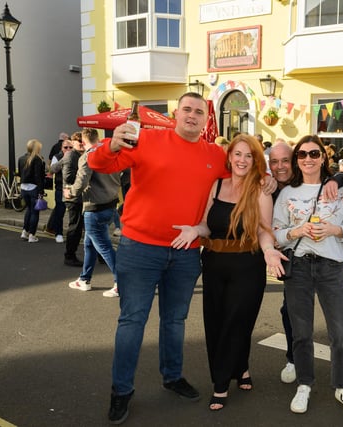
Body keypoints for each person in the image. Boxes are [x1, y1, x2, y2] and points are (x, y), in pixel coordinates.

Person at [88, 93, 273, 424]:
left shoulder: (216, 155)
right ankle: (121, 391)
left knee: (175, 321)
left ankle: (172, 376)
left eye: (198, 112)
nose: (192, 115)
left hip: (186, 252)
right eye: (186, 109)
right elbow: (99, 164)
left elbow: (242, 172)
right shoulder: (145, 139)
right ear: (176, 113)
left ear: (205, 120)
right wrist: (112, 144)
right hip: (140, 247)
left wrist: (266, 178)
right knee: (132, 321)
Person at [175, 134, 283, 411]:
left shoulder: (260, 189)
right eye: (238, 154)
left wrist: (269, 250)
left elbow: (263, 230)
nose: (242, 160)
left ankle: (221, 383)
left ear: (256, 160)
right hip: (213, 264)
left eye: (249, 156)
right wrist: (194, 231)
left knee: (237, 322)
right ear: (230, 156)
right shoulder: (217, 185)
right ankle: (241, 368)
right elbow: (207, 225)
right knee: (216, 322)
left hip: (248, 265)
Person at [268, 142, 343, 390]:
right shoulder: (275, 188)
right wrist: (297, 231)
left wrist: (334, 229)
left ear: (323, 158)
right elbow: (277, 232)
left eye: (314, 153)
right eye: (302, 154)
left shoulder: (337, 187)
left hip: (332, 265)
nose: (307, 158)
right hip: (299, 265)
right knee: (296, 323)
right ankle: (298, 369)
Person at [64, 128, 122, 298]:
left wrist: (71, 192)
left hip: (94, 208)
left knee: (104, 248)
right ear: (98, 138)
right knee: (89, 244)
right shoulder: (109, 154)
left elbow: (81, 181)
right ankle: (84, 280)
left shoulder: (87, 156)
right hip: (110, 205)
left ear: (83, 141)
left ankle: (121, 283)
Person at [62, 132, 86, 267]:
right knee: (75, 227)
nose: (82, 144)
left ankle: (99, 255)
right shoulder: (71, 155)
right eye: (79, 142)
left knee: (85, 227)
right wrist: (84, 175)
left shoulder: (81, 155)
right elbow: (69, 177)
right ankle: (69, 255)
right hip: (72, 197)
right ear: (73, 143)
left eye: (83, 142)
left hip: (80, 197)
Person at [18, 139, 46, 243]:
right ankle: (32, 235)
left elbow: (21, 174)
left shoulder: (21, 158)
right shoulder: (38, 159)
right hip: (34, 188)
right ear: (37, 148)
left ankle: (24, 232)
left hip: (24, 188)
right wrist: (41, 190)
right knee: (35, 212)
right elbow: (38, 176)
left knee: (29, 209)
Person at [47, 138, 72, 243]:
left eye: (70, 147)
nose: (68, 149)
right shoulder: (57, 157)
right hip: (60, 188)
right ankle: (58, 233)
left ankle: (73, 234)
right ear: (61, 148)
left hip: (72, 188)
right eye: (65, 147)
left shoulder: (76, 156)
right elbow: (52, 170)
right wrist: (64, 159)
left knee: (74, 213)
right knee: (59, 212)